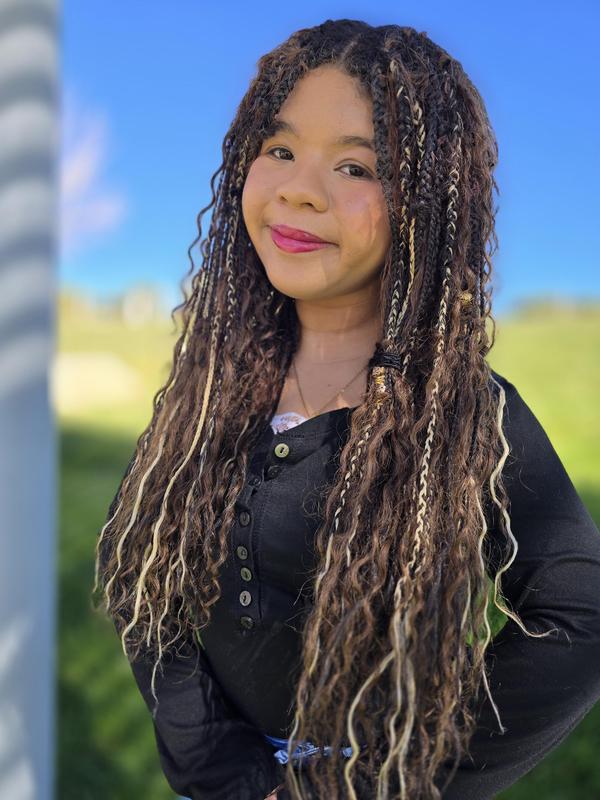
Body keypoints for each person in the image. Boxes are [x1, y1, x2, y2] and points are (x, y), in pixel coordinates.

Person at [92, 18, 600, 800]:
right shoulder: (208, 395)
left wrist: (392, 779)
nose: (299, 187)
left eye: (357, 166)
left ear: (426, 208)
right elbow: (142, 580)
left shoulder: (467, 415)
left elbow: (580, 619)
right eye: (281, 150)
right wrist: (224, 772)